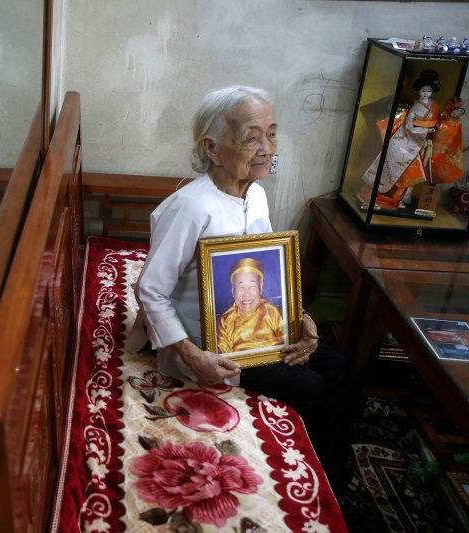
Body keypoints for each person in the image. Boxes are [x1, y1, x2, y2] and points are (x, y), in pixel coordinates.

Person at [131, 86, 352, 493]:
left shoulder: (257, 193)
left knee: (336, 366)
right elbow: (150, 291)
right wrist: (192, 355)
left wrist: (299, 318)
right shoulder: (191, 207)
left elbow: (272, 269)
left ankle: (332, 476)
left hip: (258, 327)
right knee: (311, 386)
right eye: (251, 137)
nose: (266, 148)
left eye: (271, 133)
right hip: (211, 339)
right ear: (212, 147)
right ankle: (307, 481)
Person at [359, 69, 441, 209]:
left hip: (420, 140)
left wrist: (430, 132)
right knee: (394, 167)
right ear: (418, 91)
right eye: (423, 90)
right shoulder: (416, 106)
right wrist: (424, 131)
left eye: (428, 91)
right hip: (407, 139)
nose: (425, 93)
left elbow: (435, 121)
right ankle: (379, 194)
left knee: (408, 173)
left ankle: (399, 199)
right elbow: (409, 126)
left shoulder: (433, 105)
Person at [216, 257, 284, 354]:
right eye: (241, 287)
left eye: (252, 287)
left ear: (260, 288)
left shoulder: (271, 311)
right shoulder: (225, 321)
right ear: (233, 291)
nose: (247, 294)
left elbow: (286, 340)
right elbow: (222, 354)